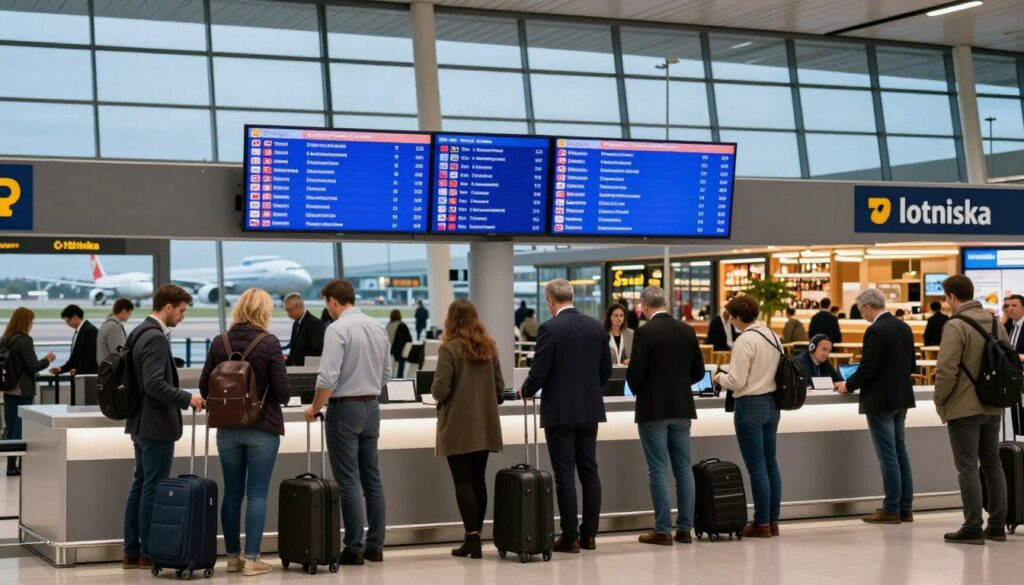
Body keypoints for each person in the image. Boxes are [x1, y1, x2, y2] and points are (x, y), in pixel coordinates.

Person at [199, 289, 290, 575]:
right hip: (262, 427)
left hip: (226, 428)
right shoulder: (269, 343)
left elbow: (205, 386)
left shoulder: (219, 342)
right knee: (258, 493)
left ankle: (233, 558)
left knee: (232, 493)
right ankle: (253, 559)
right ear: (264, 311)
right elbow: (283, 393)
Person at [522, 279, 612, 553]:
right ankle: (590, 535)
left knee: (565, 475)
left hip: (560, 411)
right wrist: (590, 390)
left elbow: (540, 371)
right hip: (589, 409)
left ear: (550, 300)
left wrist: (526, 390)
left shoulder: (549, 328)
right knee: (590, 471)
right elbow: (606, 369)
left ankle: (570, 536)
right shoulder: (596, 326)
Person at [306, 279, 390, 565]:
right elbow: (386, 373)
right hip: (371, 407)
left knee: (349, 481)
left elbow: (327, 378)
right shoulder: (378, 327)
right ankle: (375, 545)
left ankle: (354, 548)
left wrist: (315, 407)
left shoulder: (337, 329)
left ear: (332, 301)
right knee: (373, 479)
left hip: (345, 410)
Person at [123, 285, 206, 570]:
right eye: (181, 310)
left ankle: (131, 550)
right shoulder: (156, 338)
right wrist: (188, 398)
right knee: (152, 489)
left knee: (139, 486)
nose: (182, 316)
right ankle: (148, 551)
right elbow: (154, 384)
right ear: (168, 307)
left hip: (138, 423)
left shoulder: (137, 331)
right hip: (156, 424)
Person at [626, 286, 705, 546]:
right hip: (682, 407)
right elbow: (698, 371)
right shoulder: (686, 330)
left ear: (644, 306)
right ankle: (685, 528)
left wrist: (642, 389)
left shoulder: (644, 332)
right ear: (665, 303)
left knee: (658, 469)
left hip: (653, 409)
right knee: (683, 469)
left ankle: (662, 530)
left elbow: (635, 375)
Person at [933, 275, 1008, 545]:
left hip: (964, 407)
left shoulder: (955, 326)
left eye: (946, 298)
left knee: (967, 466)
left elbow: (946, 369)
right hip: (993, 405)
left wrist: (939, 400)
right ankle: (998, 524)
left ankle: (973, 525)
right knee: (992, 464)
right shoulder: (997, 322)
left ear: (952, 297)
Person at [430, 300, 504, 559]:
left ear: (451, 320)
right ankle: (476, 538)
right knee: (478, 480)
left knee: (462, 481)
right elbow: (499, 389)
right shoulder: (489, 347)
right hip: (484, 425)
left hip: (458, 426)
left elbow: (439, 390)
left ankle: (471, 539)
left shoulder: (448, 349)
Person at [840, 288, 916, 525]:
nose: (861, 313)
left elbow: (867, 368)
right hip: (901, 398)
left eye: (860, 309)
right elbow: (912, 363)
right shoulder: (903, 327)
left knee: (887, 456)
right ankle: (905, 507)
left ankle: (891, 508)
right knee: (900, 452)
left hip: (880, 401)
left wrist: (847, 385)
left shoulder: (875, 330)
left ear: (867, 307)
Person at [713, 295, 783, 538]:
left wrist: (719, 377)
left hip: (750, 405)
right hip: (773, 404)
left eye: (731, 316)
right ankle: (773, 520)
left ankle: (761, 522)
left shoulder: (746, 340)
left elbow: (737, 381)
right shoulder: (773, 336)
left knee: (756, 467)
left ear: (739, 317)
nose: (730, 320)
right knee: (770, 463)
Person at [0, 308, 56, 475]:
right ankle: (13, 465)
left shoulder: (5, 339)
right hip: (22, 390)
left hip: (8, 388)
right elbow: (33, 366)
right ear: (26, 322)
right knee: (20, 427)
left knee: (10, 426)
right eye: (31, 321)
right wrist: (48, 359)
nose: (32, 324)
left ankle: (10, 462)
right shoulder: (25, 340)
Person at [50, 304, 99, 376]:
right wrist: (61, 369)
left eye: (68, 321)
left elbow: (90, 359)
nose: (67, 324)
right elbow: (75, 357)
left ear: (74, 317)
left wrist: (78, 371)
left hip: (87, 377)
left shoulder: (90, 331)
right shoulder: (81, 330)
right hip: (82, 376)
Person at [283, 293, 324, 367]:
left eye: (289, 310)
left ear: (299, 306)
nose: (288, 314)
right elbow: (294, 350)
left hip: (307, 370)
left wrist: (297, 362)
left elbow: (317, 351)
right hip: (296, 368)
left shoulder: (314, 323)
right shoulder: (296, 324)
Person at [97, 299, 134, 364]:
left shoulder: (106, 324)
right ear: (124, 311)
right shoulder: (114, 327)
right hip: (112, 371)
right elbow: (119, 354)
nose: (129, 316)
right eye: (129, 313)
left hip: (103, 368)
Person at [387, 309, 413, 377]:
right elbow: (409, 339)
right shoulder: (402, 325)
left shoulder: (389, 325)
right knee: (400, 371)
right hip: (400, 351)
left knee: (391, 371)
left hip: (389, 351)